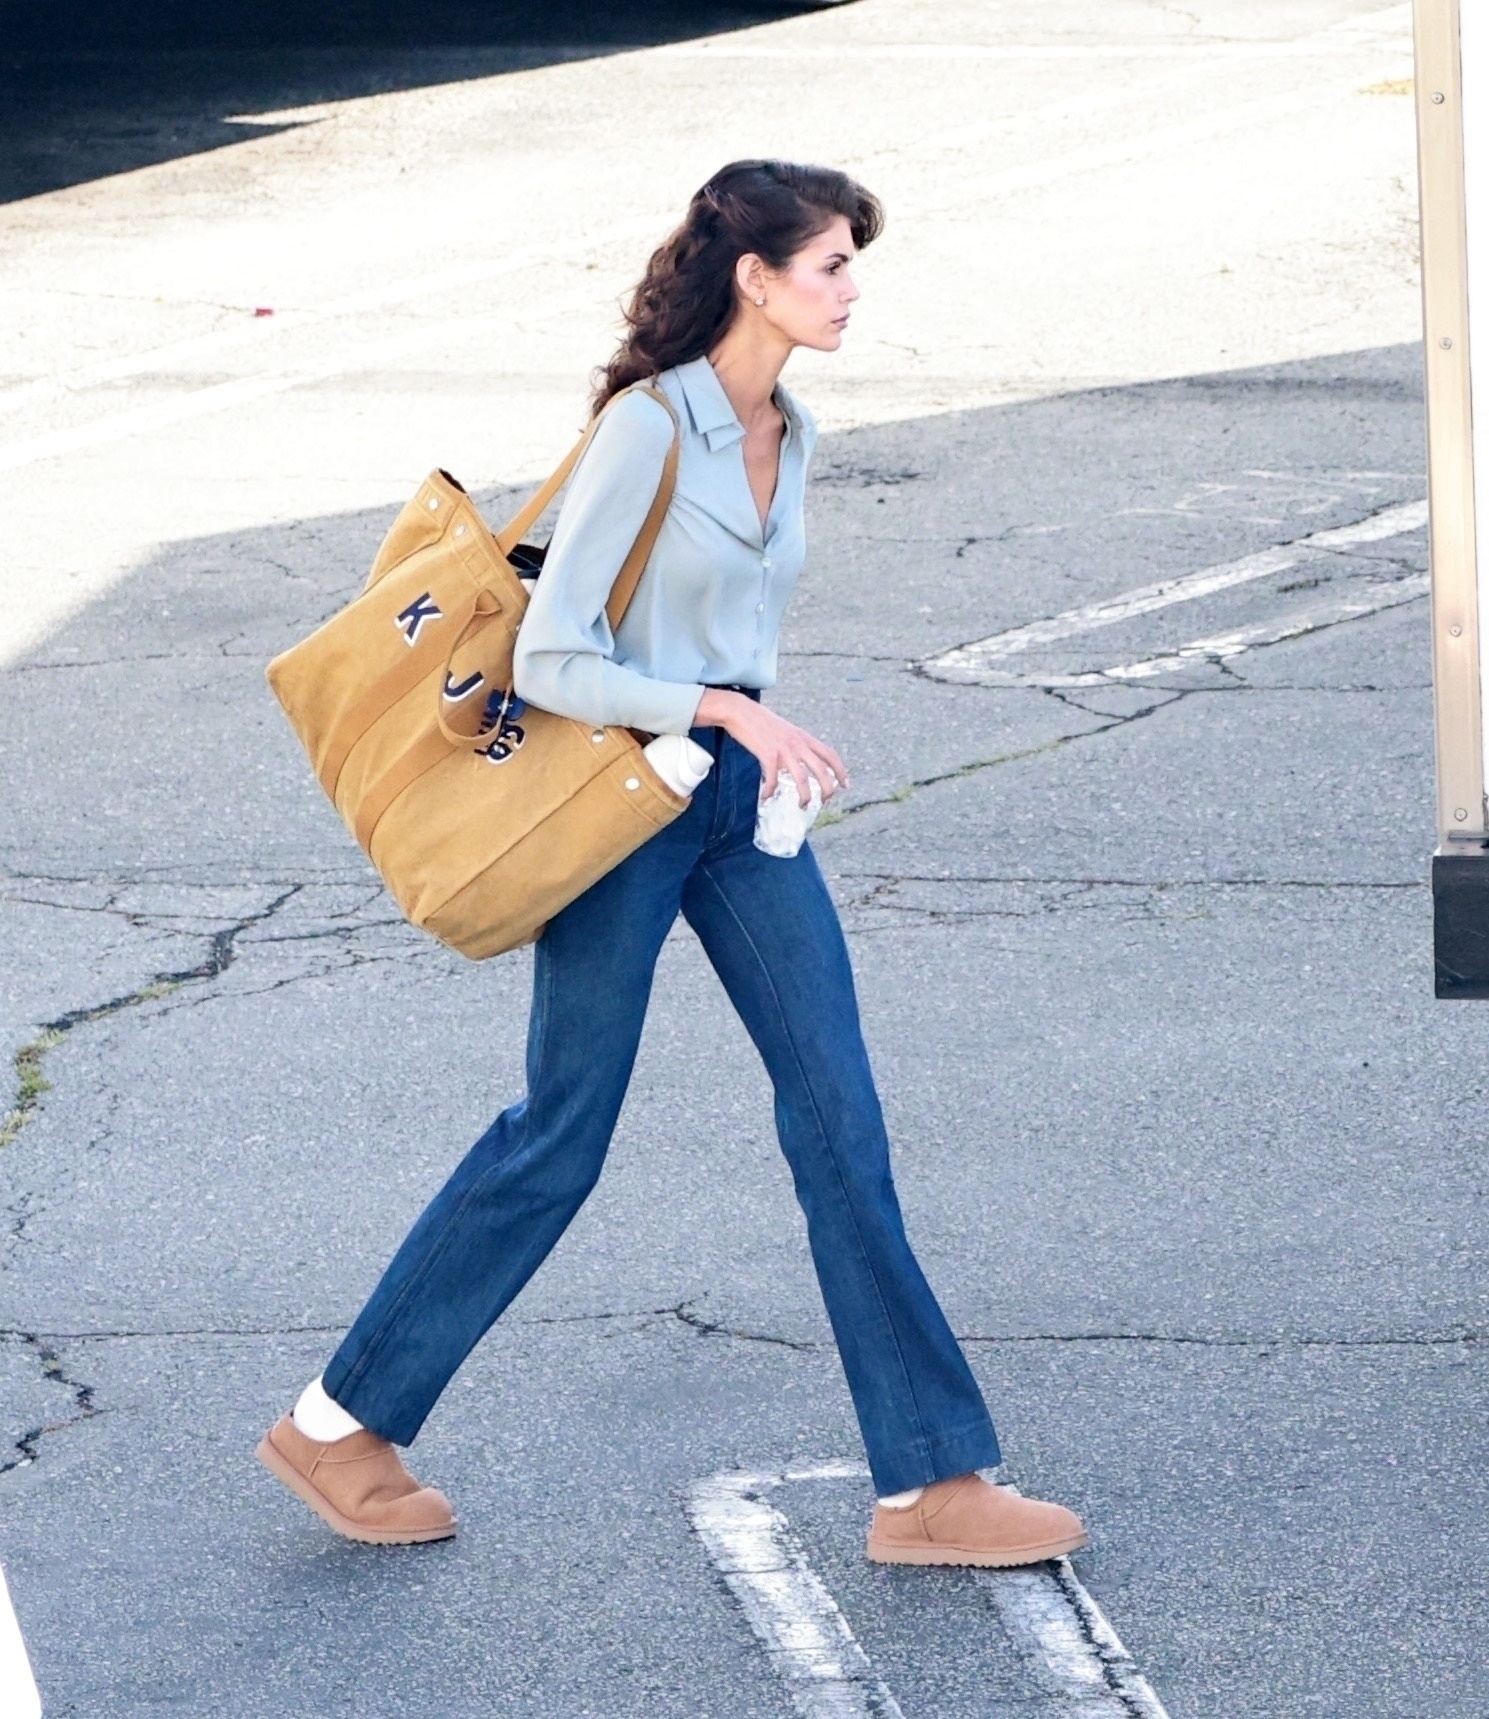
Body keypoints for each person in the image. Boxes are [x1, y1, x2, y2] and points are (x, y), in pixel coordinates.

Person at [257, 159, 1087, 1569]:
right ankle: (341, 1424)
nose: (850, 291)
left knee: (841, 1120)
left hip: (731, 811)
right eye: (829, 266)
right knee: (560, 1135)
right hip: (616, 814)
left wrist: (748, 733)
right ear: (754, 278)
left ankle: (932, 1485)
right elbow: (555, 653)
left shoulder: (793, 431)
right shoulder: (649, 431)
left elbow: (730, 631)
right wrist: (722, 707)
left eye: (848, 266)